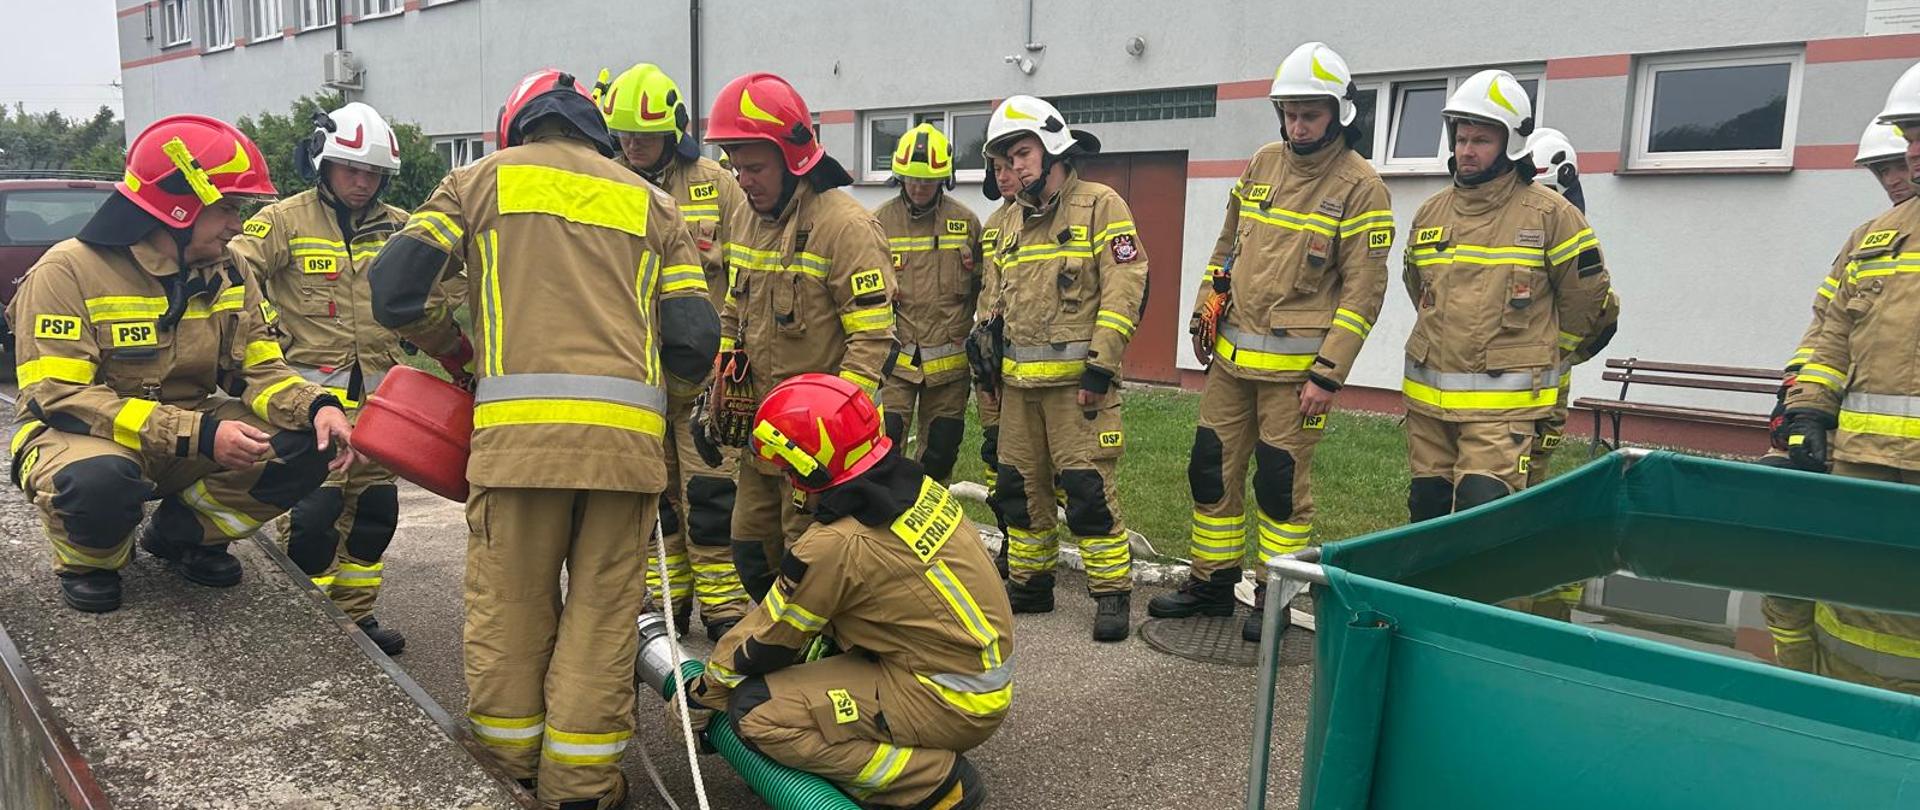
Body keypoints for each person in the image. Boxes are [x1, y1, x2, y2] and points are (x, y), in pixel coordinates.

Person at [368, 69, 719, 808]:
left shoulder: (477, 183)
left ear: (519, 129)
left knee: (512, 610)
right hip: (625, 457)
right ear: (597, 135)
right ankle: (582, 787)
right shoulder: (654, 203)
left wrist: (453, 350)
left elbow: (394, 290)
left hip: (517, 448)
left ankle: (508, 772)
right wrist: (666, 413)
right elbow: (692, 338)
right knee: (603, 619)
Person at [8, 114, 354, 613]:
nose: (238, 224)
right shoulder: (67, 271)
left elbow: (259, 366)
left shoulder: (228, 268)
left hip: (185, 433)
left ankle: (185, 536)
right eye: (227, 208)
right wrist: (201, 434)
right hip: (84, 437)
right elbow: (62, 398)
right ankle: (93, 561)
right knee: (99, 482)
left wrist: (316, 405)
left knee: (305, 444)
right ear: (178, 208)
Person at [1145, 42, 1393, 643]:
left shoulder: (1362, 188)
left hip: (1298, 375)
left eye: (1310, 113)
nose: (1297, 125)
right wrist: (1207, 307)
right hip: (1231, 361)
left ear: (1340, 114)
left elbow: (1364, 292)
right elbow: (1226, 245)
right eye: (1289, 112)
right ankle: (1212, 582)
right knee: (1211, 469)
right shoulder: (1261, 163)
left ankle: (1275, 595)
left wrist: (1328, 374)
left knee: (1279, 487)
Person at [682, 373, 1005, 810]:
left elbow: (769, 637)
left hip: (945, 697)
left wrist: (704, 692)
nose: (785, 478)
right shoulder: (911, 488)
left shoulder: (837, 544)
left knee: (757, 711)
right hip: (965, 677)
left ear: (807, 465)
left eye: (786, 467)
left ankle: (931, 783)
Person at [228, 101, 444, 654]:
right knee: (313, 516)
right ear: (323, 164)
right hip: (309, 404)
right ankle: (312, 625)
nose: (362, 182)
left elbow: (446, 286)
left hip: (380, 405)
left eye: (373, 173)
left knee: (374, 515)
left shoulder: (401, 227)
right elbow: (233, 275)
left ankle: (356, 621)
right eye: (352, 169)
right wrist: (264, 334)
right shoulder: (281, 221)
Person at [701, 72, 896, 600]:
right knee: (749, 551)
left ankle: (820, 669)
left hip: (818, 450)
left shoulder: (845, 226)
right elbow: (733, 311)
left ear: (794, 158)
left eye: (755, 166)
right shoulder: (743, 215)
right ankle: (784, 657)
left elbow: (873, 338)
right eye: (735, 165)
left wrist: (837, 432)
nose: (743, 179)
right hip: (760, 438)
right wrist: (715, 394)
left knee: (807, 567)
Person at [1401, 70, 1617, 521]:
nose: (1466, 150)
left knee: (1484, 517)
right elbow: (1418, 288)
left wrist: (1542, 354)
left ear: (1511, 142)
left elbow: (1587, 299)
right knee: (1426, 515)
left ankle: (1487, 596)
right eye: (1461, 138)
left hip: (1504, 412)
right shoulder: (1430, 213)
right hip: (1429, 409)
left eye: (1480, 139)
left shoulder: (1551, 214)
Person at [975, 94, 1146, 642]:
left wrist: (1101, 368)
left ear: (1052, 149)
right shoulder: (1004, 223)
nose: (1013, 167)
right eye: (1004, 158)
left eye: (1021, 154)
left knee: (1089, 491)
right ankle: (1029, 584)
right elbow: (992, 302)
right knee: (1020, 490)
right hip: (1017, 389)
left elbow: (1126, 287)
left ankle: (1111, 592)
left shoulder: (1100, 206)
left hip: (1080, 390)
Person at [1773, 63, 1920, 694]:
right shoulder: (1874, 237)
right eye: (1909, 136)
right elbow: (1830, 333)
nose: (1909, 157)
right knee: (1845, 605)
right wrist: (1806, 411)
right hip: (1860, 463)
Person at [598, 62, 753, 640]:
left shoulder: (716, 182)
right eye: (625, 134)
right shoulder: (606, 181)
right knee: (652, 492)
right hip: (634, 369)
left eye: (646, 134)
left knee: (711, 490)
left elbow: (748, 263)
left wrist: (736, 352)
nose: (635, 144)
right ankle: (669, 602)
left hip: (706, 372)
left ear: (675, 131)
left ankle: (723, 606)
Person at [1500, 125, 1618, 621]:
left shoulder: (1570, 232)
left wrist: (1554, 355)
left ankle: (1528, 611)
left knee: (1523, 500)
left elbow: (1599, 315)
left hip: (1540, 398)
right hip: (1510, 393)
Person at [1760, 120, 1916, 469]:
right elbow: (1826, 328)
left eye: (1899, 166)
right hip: (1857, 444)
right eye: (1882, 171)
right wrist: (1796, 399)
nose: (1892, 180)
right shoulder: (1868, 239)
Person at [873, 123, 983, 482]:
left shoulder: (965, 222)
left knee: (940, 453)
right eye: (912, 179)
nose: (919, 187)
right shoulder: (878, 223)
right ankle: (885, 522)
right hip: (896, 361)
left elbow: (986, 283)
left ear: (944, 179)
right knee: (884, 448)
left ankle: (930, 523)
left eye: (928, 180)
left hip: (949, 365)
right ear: (899, 176)